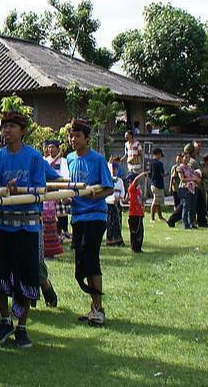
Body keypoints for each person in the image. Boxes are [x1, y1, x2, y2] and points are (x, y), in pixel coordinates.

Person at [0, 111, 55, 349]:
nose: (7, 131)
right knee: (0, 275)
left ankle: (22, 327)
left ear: (22, 131)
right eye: (4, 127)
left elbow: (39, 189)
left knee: (27, 276)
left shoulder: (34, 157)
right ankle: (5, 320)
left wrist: (19, 189)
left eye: (12, 126)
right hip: (4, 224)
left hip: (27, 224)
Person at [65, 119, 114, 326]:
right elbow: (70, 187)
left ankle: (99, 308)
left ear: (87, 138)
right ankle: (92, 306)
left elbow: (109, 188)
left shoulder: (98, 160)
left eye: (77, 135)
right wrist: (70, 196)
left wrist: (92, 195)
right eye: (71, 135)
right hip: (77, 217)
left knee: (92, 259)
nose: (73, 139)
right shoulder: (69, 159)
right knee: (81, 261)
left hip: (95, 216)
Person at [43, 139, 70, 241]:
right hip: (49, 190)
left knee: (61, 215)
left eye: (53, 147)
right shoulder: (45, 160)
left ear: (57, 148)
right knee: (49, 215)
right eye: (49, 147)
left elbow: (65, 175)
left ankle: (61, 234)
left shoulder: (63, 161)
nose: (50, 149)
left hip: (60, 189)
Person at [105, 165, 125, 247]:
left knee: (117, 222)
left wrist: (118, 198)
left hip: (117, 204)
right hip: (109, 204)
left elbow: (123, 192)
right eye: (112, 169)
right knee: (110, 222)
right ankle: (110, 240)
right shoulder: (107, 179)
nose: (114, 170)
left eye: (115, 169)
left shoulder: (119, 181)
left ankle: (117, 240)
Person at [126, 175, 145, 253]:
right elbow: (136, 180)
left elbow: (140, 198)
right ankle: (134, 248)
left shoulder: (138, 190)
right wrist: (143, 174)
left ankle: (139, 247)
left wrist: (143, 199)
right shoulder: (131, 188)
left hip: (139, 213)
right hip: (134, 214)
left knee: (140, 231)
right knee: (135, 231)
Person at [148, 149, 166, 222]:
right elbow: (162, 174)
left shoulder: (150, 163)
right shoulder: (159, 163)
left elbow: (149, 173)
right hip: (158, 184)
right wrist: (166, 174)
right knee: (155, 201)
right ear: (158, 154)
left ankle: (160, 216)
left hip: (152, 183)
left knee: (158, 201)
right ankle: (152, 218)